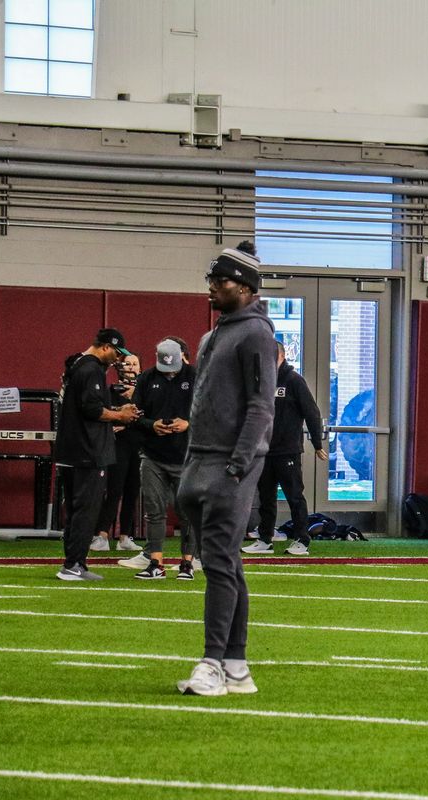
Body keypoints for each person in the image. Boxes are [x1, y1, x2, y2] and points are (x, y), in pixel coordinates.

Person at [174, 241, 277, 696]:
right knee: (225, 562)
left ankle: (212, 661)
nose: (212, 288)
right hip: (199, 459)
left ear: (248, 287)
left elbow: (260, 407)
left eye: (222, 281)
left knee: (218, 564)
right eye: (211, 280)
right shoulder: (211, 335)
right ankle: (236, 666)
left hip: (229, 464)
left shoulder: (257, 334)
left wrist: (238, 466)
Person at [53, 328, 140, 581]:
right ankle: (73, 565)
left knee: (75, 509)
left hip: (70, 449)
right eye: (115, 352)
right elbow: (92, 410)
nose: (117, 359)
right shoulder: (92, 370)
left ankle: (73, 562)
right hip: (88, 450)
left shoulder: (77, 365)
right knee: (86, 510)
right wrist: (120, 415)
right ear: (105, 347)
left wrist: (113, 409)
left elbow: (84, 407)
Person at [121, 337, 199, 581]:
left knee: (187, 513)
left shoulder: (196, 377)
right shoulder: (146, 378)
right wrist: (151, 425)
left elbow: (211, 415)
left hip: (186, 457)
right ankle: (155, 562)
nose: (170, 373)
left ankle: (187, 563)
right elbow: (134, 416)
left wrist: (188, 424)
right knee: (154, 511)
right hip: (153, 455)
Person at [244, 341, 326, 556]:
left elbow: (312, 412)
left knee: (294, 496)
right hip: (264, 451)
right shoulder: (260, 382)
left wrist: (317, 444)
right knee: (266, 497)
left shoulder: (294, 381)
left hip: (287, 451)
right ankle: (265, 539)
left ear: (280, 356)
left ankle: (301, 539)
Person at [90, 351, 143, 553]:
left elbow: (147, 417)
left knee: (132, 490)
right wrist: (116, 421)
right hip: (117, 445)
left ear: (140, 368)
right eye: (127, 364)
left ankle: (125, 536)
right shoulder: (111, 391)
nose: (130, 367)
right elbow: (105, 415)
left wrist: (128, 423)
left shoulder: (144, 391)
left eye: (135, 363)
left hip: (137, 444)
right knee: (114, 489)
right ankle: (102, 534)